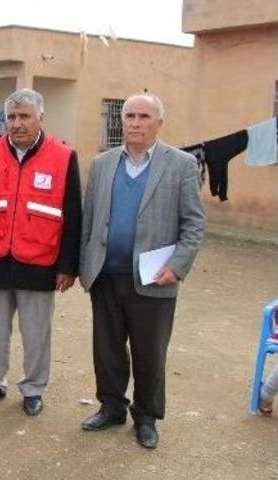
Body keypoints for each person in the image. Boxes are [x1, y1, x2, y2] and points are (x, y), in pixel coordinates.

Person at [79, 92, 205, 449]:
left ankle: (147, 416)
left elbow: (194, 224)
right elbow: (88, 220)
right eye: (129, 116)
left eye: (143, 117)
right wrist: (83, 266)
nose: (134, 123)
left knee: (150, 353)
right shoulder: (103, 164)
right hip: (106, 274)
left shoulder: (180, 164)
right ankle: (111, 407)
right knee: (107, 349)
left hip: (155, 277)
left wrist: (176, 267)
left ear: (159, 123)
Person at [0, 88, 82, 417]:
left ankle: (33, 388)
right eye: (11, 117)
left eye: (24, 116)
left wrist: (68, 266)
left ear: (40, 118)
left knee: (36, 331)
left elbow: (73, 214)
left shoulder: (63, 156)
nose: (17, 124)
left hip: (41, 260)